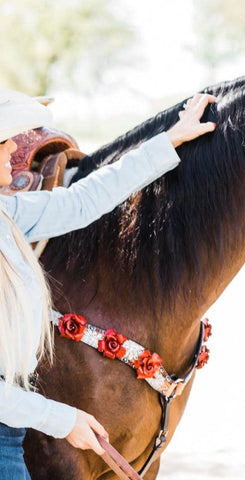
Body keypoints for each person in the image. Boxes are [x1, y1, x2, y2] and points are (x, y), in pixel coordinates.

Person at [0, 89, 216, 479]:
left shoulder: (7, 214)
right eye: (4, 139)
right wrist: (62, 420)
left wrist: (172, 138)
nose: (15, 146)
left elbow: (85, 200)